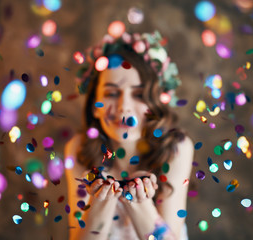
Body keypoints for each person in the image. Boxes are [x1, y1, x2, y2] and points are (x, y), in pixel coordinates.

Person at [64, 24, 194, 240]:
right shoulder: (79, 149)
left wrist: (139, 201)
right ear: (95, 104)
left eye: (139, 95)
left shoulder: (176, 148)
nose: (124, 107)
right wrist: (101, 202)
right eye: (112, 93)